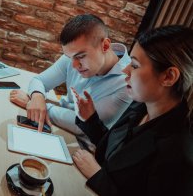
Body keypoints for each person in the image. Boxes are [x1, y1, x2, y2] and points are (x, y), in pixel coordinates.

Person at [72, 25, 193, 196]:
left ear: (168, 77)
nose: (125, 70)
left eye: (135, 65)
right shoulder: (141, 105)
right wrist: (90, 119)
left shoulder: (178, 153)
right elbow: (117, 153)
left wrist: (98, 177)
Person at [10, 14, 132, 139]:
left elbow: (83, 124)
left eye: (80, 56)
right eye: (70, 57)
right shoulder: (74, 55)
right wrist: (36, 96)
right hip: (59, 126)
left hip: (82, 146)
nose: (74, 65)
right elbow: (39, 80)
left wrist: (33, 104)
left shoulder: (128, 81)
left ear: (105, 46)